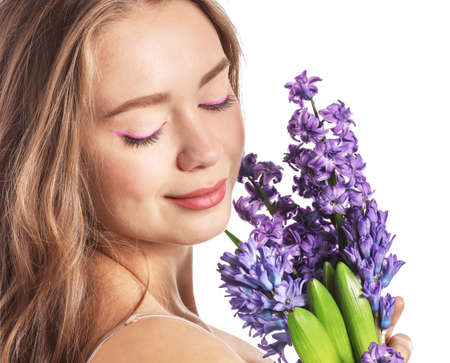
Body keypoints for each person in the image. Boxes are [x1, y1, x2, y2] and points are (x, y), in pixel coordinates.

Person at [0, 0, 412, 362]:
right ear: (48, 155)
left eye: (216, 99)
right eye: (143, 130)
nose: (205, 151)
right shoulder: (168, 348)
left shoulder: (141, 333)